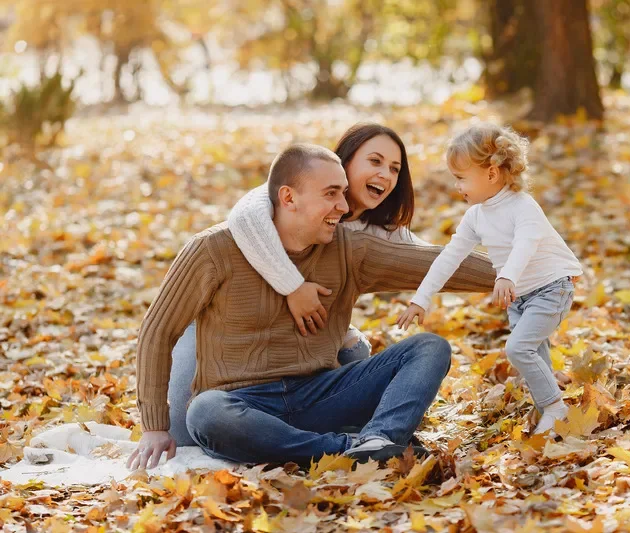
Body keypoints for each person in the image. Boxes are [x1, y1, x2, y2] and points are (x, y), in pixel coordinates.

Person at [128, 144, 495, 470]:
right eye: (332, 194)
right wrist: (155, 427)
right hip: (242, 401)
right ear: (289, 198)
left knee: (429, 347)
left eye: (343, 193)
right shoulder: (213, 250)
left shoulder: (350, 249)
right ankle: (350, 449)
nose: (345, 206)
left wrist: (526, 273)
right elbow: (157, 331)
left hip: (322, 392)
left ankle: (380, 440)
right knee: (205, 412)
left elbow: (436, 263)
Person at [166, 123, 429, 447]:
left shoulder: (384, 233)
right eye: (374, 162)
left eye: (394, 168)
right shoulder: (298, 193)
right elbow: (243, 218)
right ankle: (295, 434)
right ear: (343, 162)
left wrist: (507, 271)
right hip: (228, 334)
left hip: (304, 348)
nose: (385, 175)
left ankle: (368, 440)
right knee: (181, 434)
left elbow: (433, 260)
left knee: (355, 348)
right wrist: (292, 286)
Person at [397, 123, 583, 435]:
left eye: (461, 178)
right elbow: (450, 256)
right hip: (520, 297)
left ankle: (554, 408)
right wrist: (421, 298)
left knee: (519, 348)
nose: (457, 186)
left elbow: (527, 242)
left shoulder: (523, 206)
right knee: (534, 351)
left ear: (492, 174)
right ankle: (550, 417)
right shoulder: (476, 216)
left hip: (552, 286)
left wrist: (506, 275)